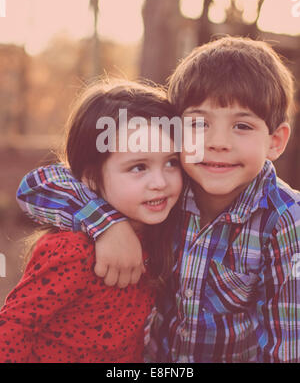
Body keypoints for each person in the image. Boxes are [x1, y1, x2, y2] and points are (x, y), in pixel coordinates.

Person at [16, 36, 300, 363]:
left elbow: (287, 349)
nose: (218, 142)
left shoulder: (284, 221)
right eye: (198, 124)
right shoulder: (171, 189)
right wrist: (109, 226)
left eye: (242, 125)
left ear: (275, 141)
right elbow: (37, 186)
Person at [0, 80, 183, 363]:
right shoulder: (72, 251)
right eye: (138, 167)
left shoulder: (163, 231)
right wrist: (109, 225)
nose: (160, 182)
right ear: (90, 176)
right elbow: (12, 330)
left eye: (172, 162)